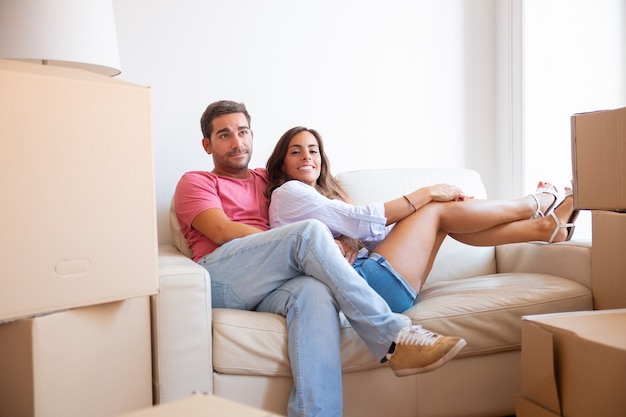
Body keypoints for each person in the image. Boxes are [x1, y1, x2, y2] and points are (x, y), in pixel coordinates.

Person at [174, 101, 467, 417]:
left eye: (242, 132)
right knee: (306, 233)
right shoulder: (196, 181)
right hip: (222, 276)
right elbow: (222, 230)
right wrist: (307, 240)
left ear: (252, 134)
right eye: (224, 135)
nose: (237, 143)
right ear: (207, 144)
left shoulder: (268, 180)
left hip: (273, 282)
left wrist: (341, 240)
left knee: (315, 293)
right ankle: (393, 336)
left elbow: (334, 215)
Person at [265, 126, 579, 313]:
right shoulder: (288, 193)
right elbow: (359, 221)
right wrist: (428, 194)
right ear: (282, 162)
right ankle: (534, 204)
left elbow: (372, 234)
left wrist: (350, 239)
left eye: (313, 150)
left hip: (378, 286)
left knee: (443, 217)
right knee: (436, 210)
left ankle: (545, 227)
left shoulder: (323, 197)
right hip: (363, 286)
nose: (307, 156)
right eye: (296, 152)